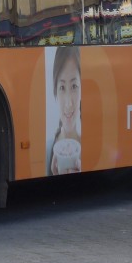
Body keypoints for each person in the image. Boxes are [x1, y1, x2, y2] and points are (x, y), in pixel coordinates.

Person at [47, 45, 82, 175]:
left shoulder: (95, 146)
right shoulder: (48, 150)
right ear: (55, 91)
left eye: (74, 86)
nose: (68, 104)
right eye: (62, 87)